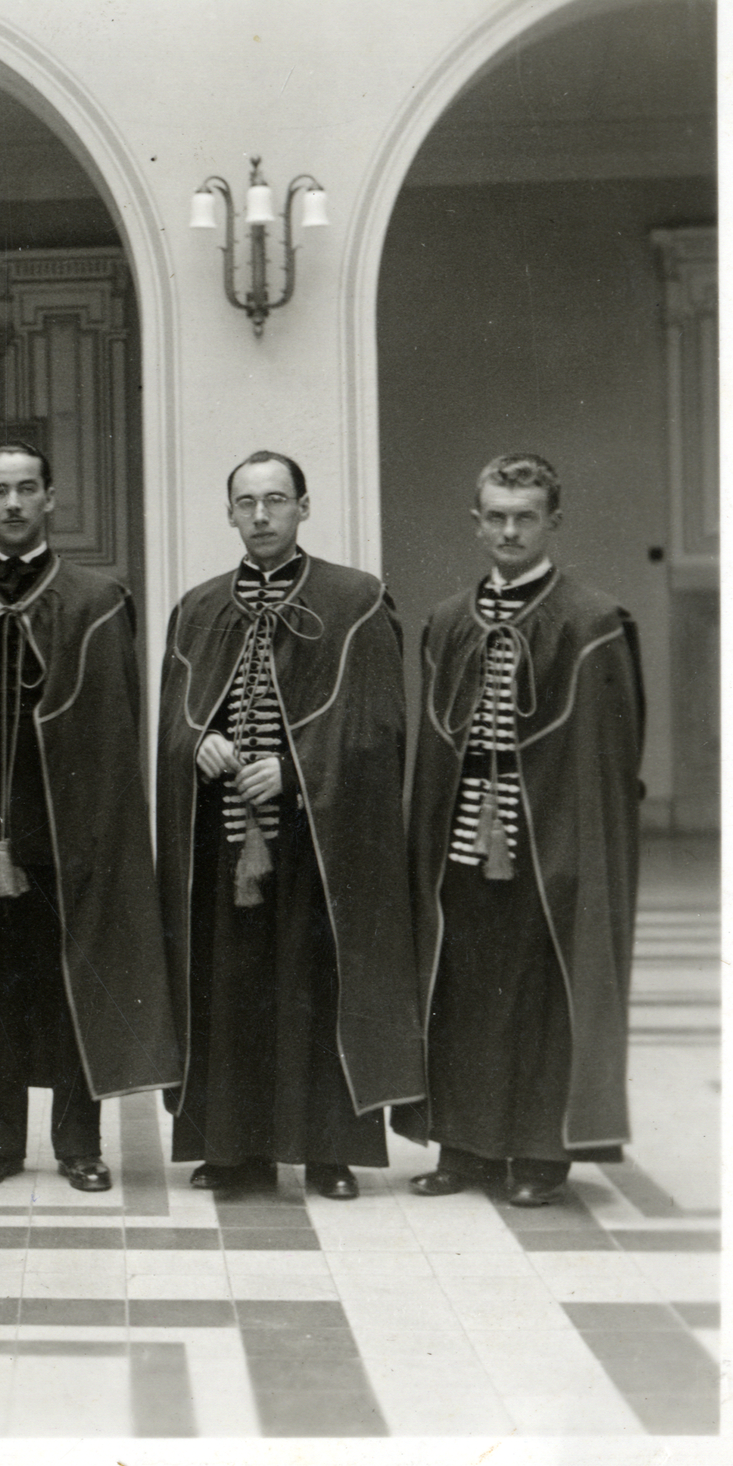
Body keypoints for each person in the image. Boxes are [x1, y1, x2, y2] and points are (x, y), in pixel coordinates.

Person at [157, 451, 424, 1200]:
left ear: (304, 507)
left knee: (312, 991)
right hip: (223, 842)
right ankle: (233, 1150)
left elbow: (378, 727)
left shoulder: (356, 600)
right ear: (229, 513)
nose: (262, 515)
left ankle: (328, 1152)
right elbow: (175, 721)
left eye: (276, 499)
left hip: (317, 843)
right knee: (232, 992)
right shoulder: (199, 608)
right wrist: (196, 743)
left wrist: (296, 770)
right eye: (247, 502)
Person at [0, 443, 181, 1193]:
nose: (13, 503)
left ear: (51, 498)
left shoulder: (97, 600)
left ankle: (79, 1144)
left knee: (72, 988)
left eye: (26, 489)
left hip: (69, 830)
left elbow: (114, 729)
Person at [399, 454, 644, 1208]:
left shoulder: (593, 621)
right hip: (464, 843)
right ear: (477, 523)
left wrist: (570, 842)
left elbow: (613, 757)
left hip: (551, 844)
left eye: (525, 517)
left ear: (552, 522)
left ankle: (540, 1156)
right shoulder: (447, 620)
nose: (510, 531)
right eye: (497, 517)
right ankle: (465, 1148)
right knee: (464, 989)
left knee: (542, 996)